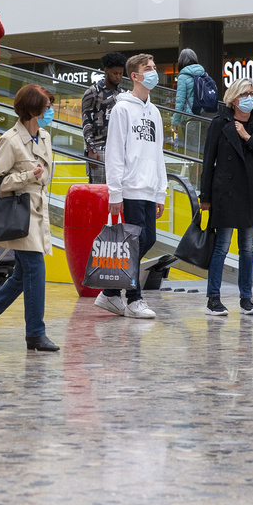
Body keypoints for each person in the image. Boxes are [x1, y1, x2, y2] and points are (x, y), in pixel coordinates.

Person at [0, 84, 59, 352]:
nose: (50, 111)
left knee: (21, 275)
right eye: (46, 107)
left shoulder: (45, 137)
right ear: (32, 109)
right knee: (36, 270)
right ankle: (35, 334)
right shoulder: (9, 140)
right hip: (21, 214)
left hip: (38, 213)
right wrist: (27, 176)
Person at [95, 53, 165, 321]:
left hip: (149, 188)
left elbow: (158, 154)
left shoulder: (155, 112)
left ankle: (111, 293)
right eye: (148, 69)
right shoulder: (122, 108)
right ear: (134, 76)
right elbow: (114, 152)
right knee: (136, 242)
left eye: (154, 67)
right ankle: (133, 298)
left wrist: (160, 192)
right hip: (130, 187)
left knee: (148, 240)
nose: (153, 72)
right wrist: (115, 192)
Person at [198, 78, 253, 317]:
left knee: (247, 249)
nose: (250, 97)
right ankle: (213, 299)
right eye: (245, 94)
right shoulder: (220, 123)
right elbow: (208, 161)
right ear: (233, 98)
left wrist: (247, 137)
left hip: (252, 195)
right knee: (221, 247)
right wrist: (205, 196)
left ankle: (246, 299)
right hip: (226, 194)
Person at [81, 52, 125, 184]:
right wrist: (91, 149)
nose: (118, 77)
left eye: (121, 74)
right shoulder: (92, 92)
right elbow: (86, 121)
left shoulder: (122, 94)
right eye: (115, 73)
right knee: (99, 191)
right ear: (106, 71)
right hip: (99, 148)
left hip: (118, 149)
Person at [173, 48, 211, 145]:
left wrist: (175, 121)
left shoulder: (182, 77)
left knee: (192, 149)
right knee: (204, 147)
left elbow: (180, 101)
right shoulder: (204, 74)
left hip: (191, 117)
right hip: (206, 115)